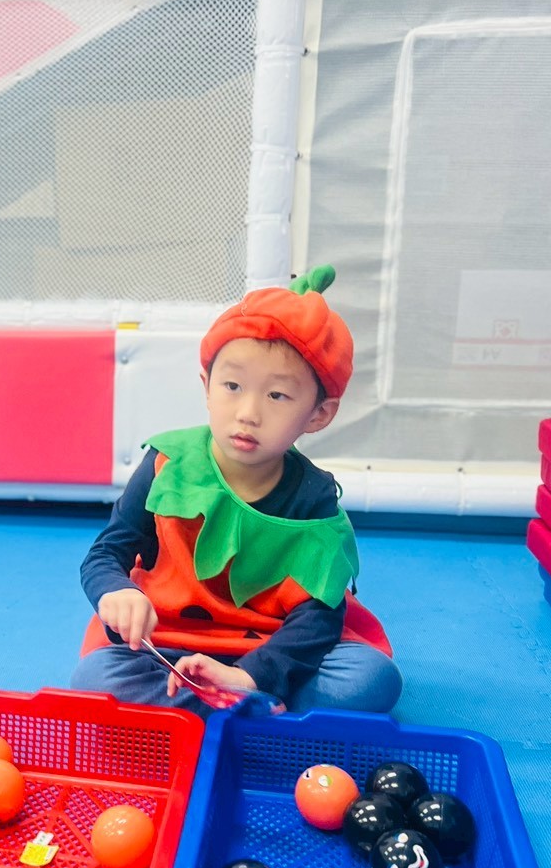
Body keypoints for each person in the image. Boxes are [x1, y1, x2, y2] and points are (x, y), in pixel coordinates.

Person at [71, 266, 400, 716]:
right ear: (207, 386)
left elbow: (318, 618)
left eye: (277, 396)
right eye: (232, 386)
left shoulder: (314, 499)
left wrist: (249, 676)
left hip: (273, 649)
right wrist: (116, 592)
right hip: (170, 644)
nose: (248, 413)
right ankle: (257, 714)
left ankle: (220, 705)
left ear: (319, 414)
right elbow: (107, 553)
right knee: (95, 678)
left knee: (368, 680)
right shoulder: (167, 465)